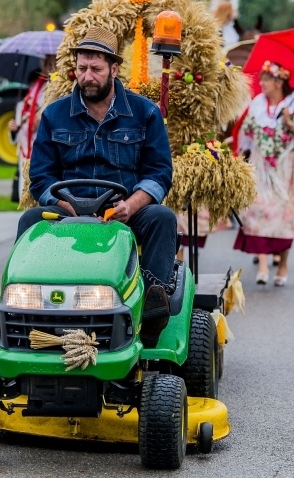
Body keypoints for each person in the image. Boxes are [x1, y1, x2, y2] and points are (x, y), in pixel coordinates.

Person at [17, 25, 176, 347]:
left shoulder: (144, 114)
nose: (87, 76)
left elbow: (159, 171)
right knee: (29, 220)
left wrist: (132, 204)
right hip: (67, 210)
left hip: (123, 210)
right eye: (82, 68)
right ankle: (27, 304)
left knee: (162, 217)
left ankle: (150, 303)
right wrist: (61, 203)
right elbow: (42, 176)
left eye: (96, 69)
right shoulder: (54, 115)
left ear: (114, 69)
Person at [233, 60, 294, 287]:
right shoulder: (257, 105)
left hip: (285, 168)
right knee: (258, 210)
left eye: (266, 80)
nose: (261, 83)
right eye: (261, 79)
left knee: (284, 216)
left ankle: (282, 264)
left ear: (279, 82)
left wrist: (291, 123)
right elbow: (245, 135)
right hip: (261, 166)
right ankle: (262, 265)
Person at [9, 54, 56, 200]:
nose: (49, 66)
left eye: (52, 62)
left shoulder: (55, 91)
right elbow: (18, 133)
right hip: (26, 152)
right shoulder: (28, 98)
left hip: (41, 151)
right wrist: (14, 129)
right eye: (46, 63)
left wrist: (40, 117)